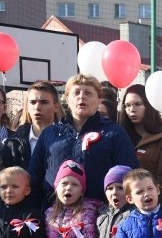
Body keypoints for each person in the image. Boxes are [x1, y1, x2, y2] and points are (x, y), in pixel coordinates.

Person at [29, 74, 138, 208]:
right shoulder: (49, 134)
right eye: (76, 93)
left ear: (99, 100)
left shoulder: (114, 133)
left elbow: (130, 177)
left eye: (88, 93)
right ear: (67, 99)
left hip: (100, 215)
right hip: (54, 215)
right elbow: (34, 177)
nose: (82, 97)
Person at [118, 84, 162, 189]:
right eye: (128, 105)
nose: (132, 109)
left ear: (148, 106)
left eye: (138, 104)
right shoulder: (121, 137)